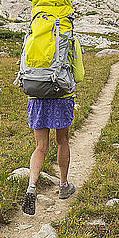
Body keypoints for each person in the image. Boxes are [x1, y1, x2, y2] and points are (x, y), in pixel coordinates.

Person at [22, 44, 84, 215]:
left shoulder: (33, 34)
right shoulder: (70, 38)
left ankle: (32, 185)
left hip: (36, 95)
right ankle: (64, 186)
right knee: (62, 141)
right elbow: (79, 75)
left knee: (40, 146)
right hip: (61, 95)